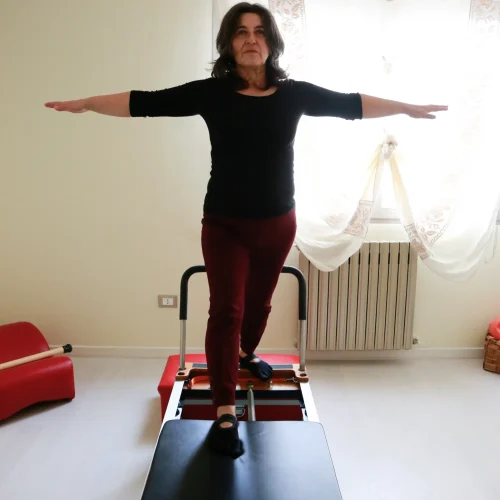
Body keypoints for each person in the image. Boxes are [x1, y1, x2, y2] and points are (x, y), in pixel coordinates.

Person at [45, 2, 447, 458]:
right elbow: (145, 102)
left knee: (259, 306)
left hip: (278, 224)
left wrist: (405, 108)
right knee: (226, 312)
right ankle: (224, 412)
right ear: (229, 44)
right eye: (241, 32)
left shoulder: (293, 94)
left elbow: (350, 104)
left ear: (272, 42)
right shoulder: (212, 94)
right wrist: (88, 103)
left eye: (259, 31)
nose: (251, 39)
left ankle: (243, 354)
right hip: (225, 225)